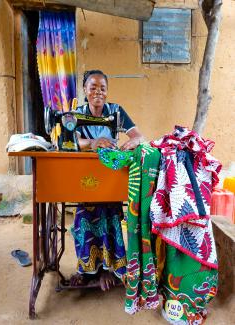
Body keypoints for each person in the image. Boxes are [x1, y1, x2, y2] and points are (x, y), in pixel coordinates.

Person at [70, 70, 144, 291]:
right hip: (85, 176)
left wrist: (128, 145)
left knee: (111, 214)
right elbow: (70, 139)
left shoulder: (116, 112)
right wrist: (93, 142)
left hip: (110, 175)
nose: (98, 92)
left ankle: (108, 270)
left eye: (102, 88)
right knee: (84, 215)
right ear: (85, 90)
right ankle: (87, 270)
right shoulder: (77, 113)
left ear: (107, 91)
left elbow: (139, 136)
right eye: (93, 87)